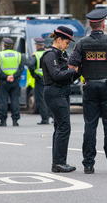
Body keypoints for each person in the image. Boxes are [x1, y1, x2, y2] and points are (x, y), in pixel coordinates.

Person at [69, 10, 107, 174]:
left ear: (89, 24)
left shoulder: (82, 43)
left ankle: (88, 164)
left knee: (90, 125)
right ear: (103, 24)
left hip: (90, 87)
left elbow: (72, 66)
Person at [42, 26, 79, 173]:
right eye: (67, 42)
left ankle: (58, 162)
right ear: (59, 39)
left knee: (60, 127)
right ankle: (59, 163)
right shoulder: (50, 55)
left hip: (61, 91)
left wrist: (78, 71)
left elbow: (67, 76)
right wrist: (74, 71)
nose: (68, 45)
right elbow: (57, 75)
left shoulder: (59, 54)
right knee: (64, 127)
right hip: (54, 91)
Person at [0, 37, 24, 127]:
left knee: (3, 101)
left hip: (4, 82)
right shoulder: (18, 55)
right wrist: (13, 76)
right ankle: (15, 121)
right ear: (12, 46)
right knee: (15, 100)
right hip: (15, 81)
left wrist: (6, 77)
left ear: (4, 45)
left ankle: (3, 121)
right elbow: (21, 68)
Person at [29, 37, 52, 125]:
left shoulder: (36, 55)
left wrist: (34, 74)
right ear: (43, 45)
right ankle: (52, 116)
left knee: (41, 99)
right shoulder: (48, 53)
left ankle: (45, 119)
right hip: (49, 79)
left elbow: (31, 65)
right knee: (50, 98)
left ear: (36, 46)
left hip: (40, 79)